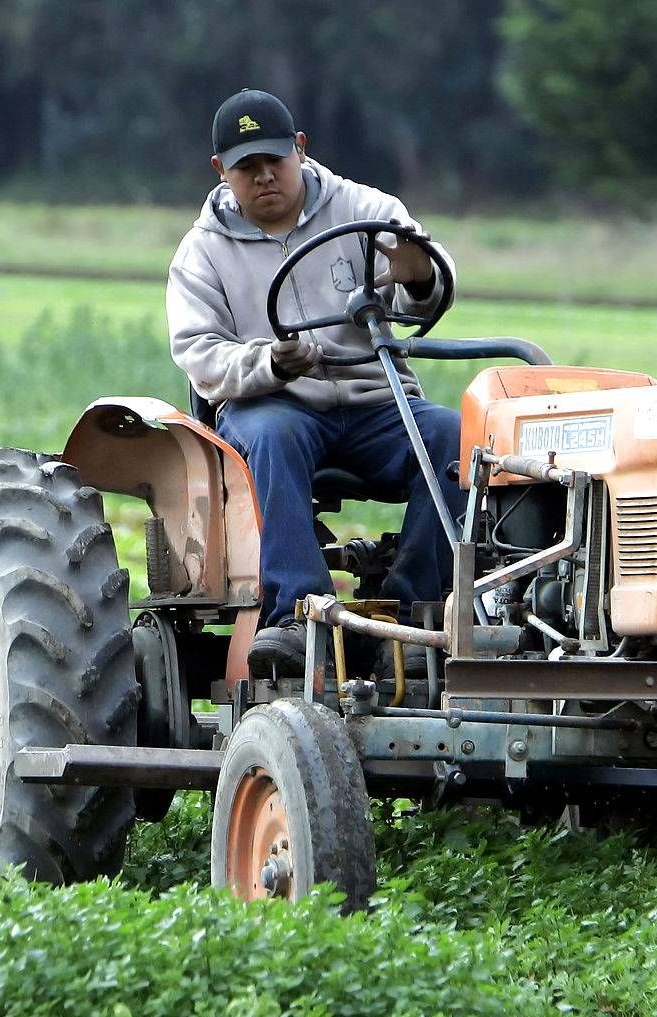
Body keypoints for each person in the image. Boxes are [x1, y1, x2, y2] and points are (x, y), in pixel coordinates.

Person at [166, 89, 460, 677]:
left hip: (375, 402)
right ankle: (300, 613)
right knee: (273, 436)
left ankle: (412, 612)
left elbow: (425, 278)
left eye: (275, 160)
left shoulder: (365, 209)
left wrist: (419, 274)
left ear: (300, 149)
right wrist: (270, 364)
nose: (265, 177)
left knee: (455, 436)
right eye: (247, 167)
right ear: (221, 171)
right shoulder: (202, 254)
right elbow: (199, 354)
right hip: (275, 404)